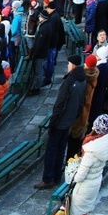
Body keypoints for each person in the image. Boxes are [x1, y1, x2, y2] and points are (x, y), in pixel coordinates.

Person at [34, 54, 86, 190]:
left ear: (72, 65)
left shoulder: (69, 81)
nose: (67, 66)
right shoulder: (82, 80)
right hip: (69, 121)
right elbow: (81, 103)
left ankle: (48, 178)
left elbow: (60, 104)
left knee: (51, 150)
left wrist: (53, 122)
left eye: (69, 64)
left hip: (60, 122)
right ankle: (57, 176)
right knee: (61, 148)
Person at [69, 114, 108, 215]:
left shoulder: (91, 151)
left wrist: (73, 175)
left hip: (84, 187)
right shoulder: (106, 144)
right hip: (96, 182)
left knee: (78, 211)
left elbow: (80, 176)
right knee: (85, 210)